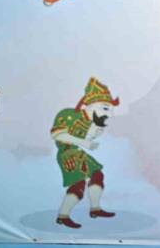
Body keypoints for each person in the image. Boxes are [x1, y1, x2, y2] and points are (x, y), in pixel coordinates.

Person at [50, 77, 119, 229]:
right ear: (91, 105)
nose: (110, 114)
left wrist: (95, 130)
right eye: (105, 108)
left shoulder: (92, 122)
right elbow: (57, 135)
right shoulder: (68, 114)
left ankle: (95, 209)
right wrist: (84, 142)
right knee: (78, 184)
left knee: (97, 175)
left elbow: (89, 138)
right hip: (67, 154)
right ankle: (63, 216)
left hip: (78, 152)